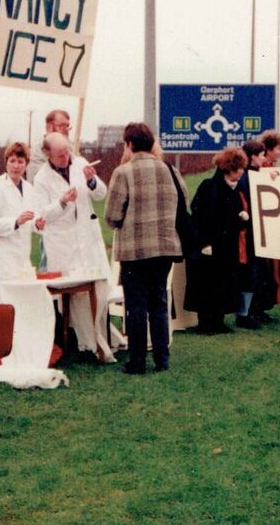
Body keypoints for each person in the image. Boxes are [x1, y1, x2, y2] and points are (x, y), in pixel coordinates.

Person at [104, 123, 182, 374]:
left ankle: (137, 362)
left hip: (135, 250)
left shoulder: (123, 172)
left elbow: (112, 215)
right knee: (158, 302)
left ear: (129, 144)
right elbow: (182, 202)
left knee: (136, 305)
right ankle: (162, 359)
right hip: (165, 245)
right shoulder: (170, 170)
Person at [33, 131, 112, 357]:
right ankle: (83, 344)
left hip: (87, 238)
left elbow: (101, 194)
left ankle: (98, 340)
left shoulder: (81, 163)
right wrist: (62, 202)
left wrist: (91, 180)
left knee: (97, 289)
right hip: (62, 244)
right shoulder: (41, 178)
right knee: (74, 295)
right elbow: (42, 216)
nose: (65, 157)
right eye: (59, 155)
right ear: (47, 154)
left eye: (67, 151)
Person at [186, 147, 251, 333]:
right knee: (208, 283)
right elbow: (199, 216)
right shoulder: (209, 186)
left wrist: (242, 218)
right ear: (230, 168)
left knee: (224, 283)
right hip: (211, 244)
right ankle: (206, 323)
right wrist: (204, 243)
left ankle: (219, 320)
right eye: (239, 168)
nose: (242, 172)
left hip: (227, 245)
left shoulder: (235, 189)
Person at [0, 142, 40, 280]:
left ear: (26, 164)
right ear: (6, 162)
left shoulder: (29, 189)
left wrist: (37, 224)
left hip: (24, 261)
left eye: (20, 161)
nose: (16, 166)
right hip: (3, 263)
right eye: (12, 161)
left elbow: (32, 219)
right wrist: (16, 222)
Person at [239, 139, 276, 323]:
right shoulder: (246, 177)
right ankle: (246, 312)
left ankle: (257, 308)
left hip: (259, 230)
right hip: (251, 231)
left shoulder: (258, 174)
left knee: (260, 272)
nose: (264, 159)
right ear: (253, 157)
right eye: (261, 155)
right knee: (251, 272)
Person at [258, 130, 280, 309]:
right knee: (266, 268)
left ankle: (267, 304)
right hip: (266, 227)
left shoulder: (272, 169)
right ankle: (259, 305)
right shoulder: (262, 170)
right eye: (278, 148)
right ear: (269, 149)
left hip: (274, 225)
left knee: (273, 267)